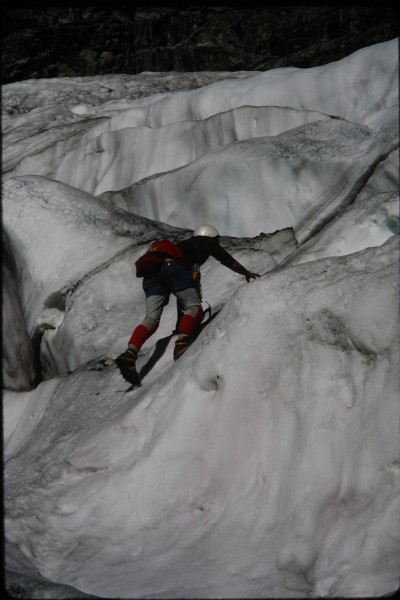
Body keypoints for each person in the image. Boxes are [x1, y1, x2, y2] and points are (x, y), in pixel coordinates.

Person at [115, 224, 260, 384]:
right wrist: (246, 272)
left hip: (151, 276)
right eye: (217, 240)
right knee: (194, 306)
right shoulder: (205, 241)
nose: (217, 244)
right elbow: (226, 259)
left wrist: (180, 326)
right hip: (171, 268)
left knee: (151, 319)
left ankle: (130, 354)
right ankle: (182, 345)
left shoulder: (185, 248)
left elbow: (181, 299)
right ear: (210, 236)